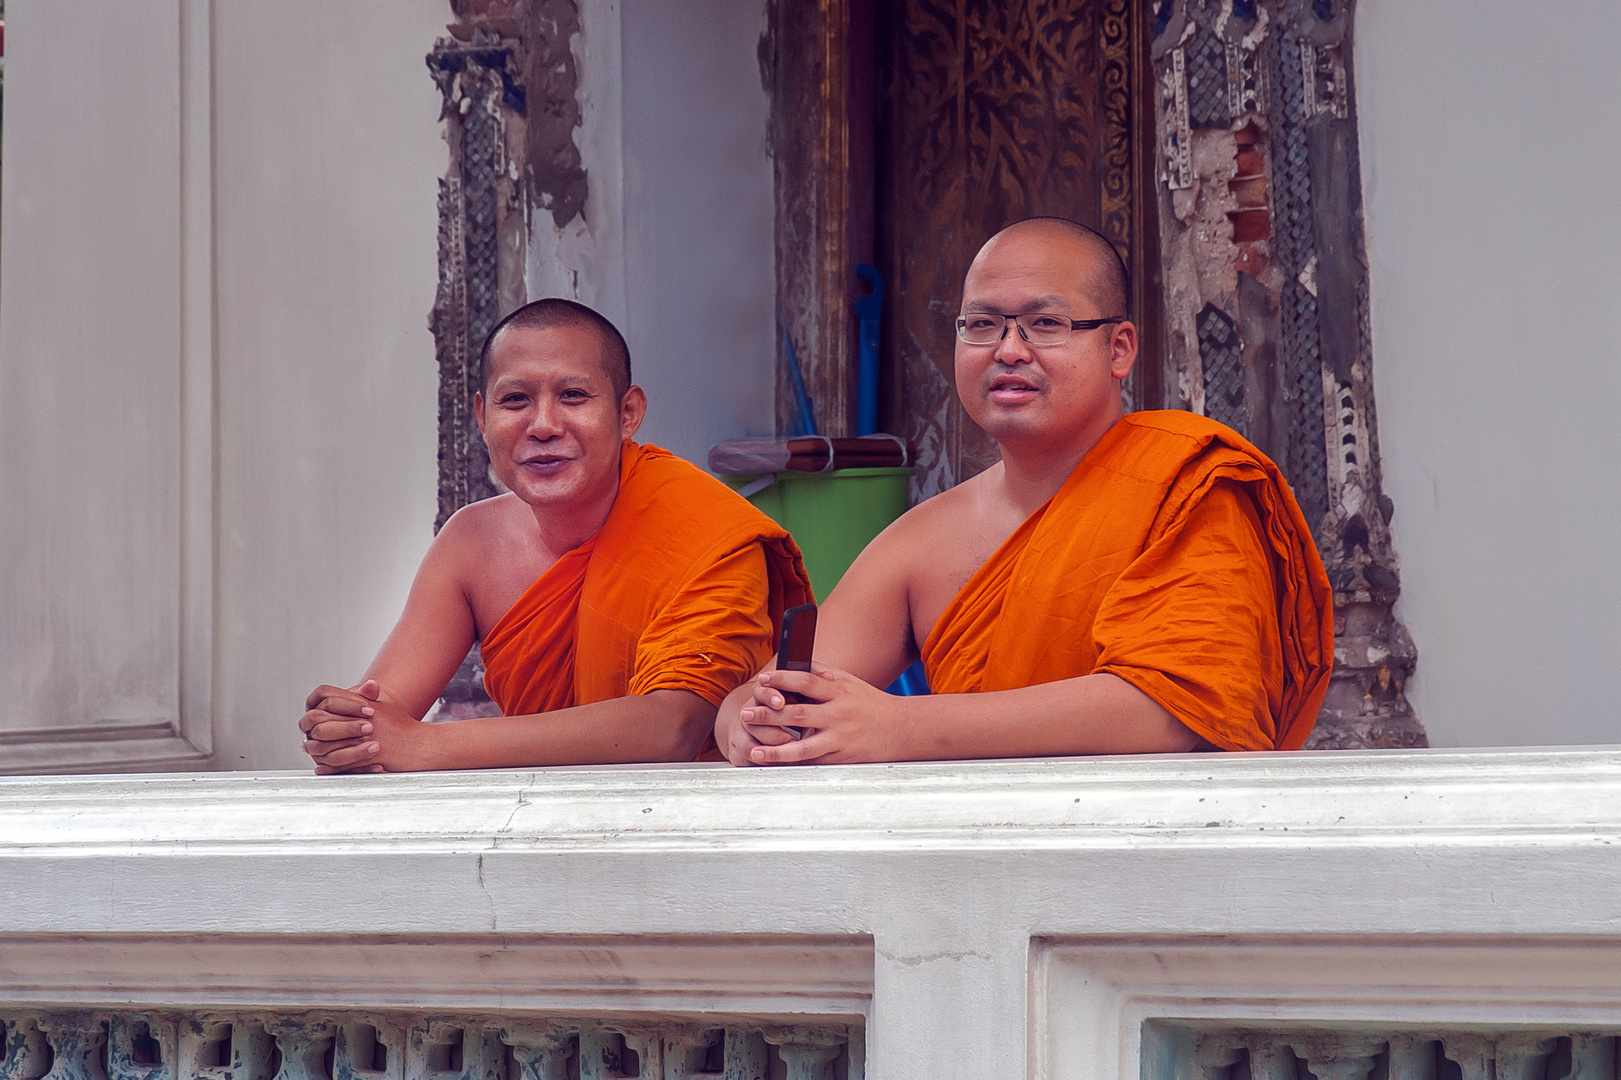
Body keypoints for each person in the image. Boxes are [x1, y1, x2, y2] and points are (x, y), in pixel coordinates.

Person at [717, 217, 1332, 765]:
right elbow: (775, 692)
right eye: (982, 325)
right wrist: (746, 725)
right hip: (977, 869)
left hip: (1154, 864)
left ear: (1119, 349)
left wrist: (903, 725)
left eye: (1046, 324)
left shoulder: (1187, 483)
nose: (1009, 350)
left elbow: (1171, 711)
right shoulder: (924, 540)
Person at [302, 299, 811, 773]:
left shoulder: (704, 529)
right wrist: (344, 729)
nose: (543, 425)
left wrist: (422, 744)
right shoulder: (472, 542)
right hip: (527, 826)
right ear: (482, 417)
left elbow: (672, 726)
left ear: (628, 412)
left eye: (573, 395)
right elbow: (379, 713)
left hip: (685, 828)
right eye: (516, 400)